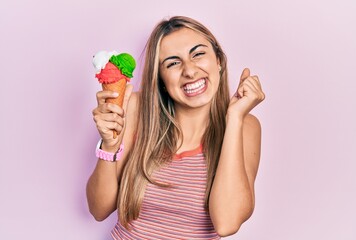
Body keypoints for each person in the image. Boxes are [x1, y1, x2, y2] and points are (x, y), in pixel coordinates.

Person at [86, 16, 265, 239]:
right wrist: (109, 146)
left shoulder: (245, 126)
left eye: (198, 54)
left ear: (218, 60)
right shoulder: (136, 108)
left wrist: (235, 117)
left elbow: (227, 223)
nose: (189, 71)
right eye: (173, 63)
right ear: (160, 77)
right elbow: (98, 210)